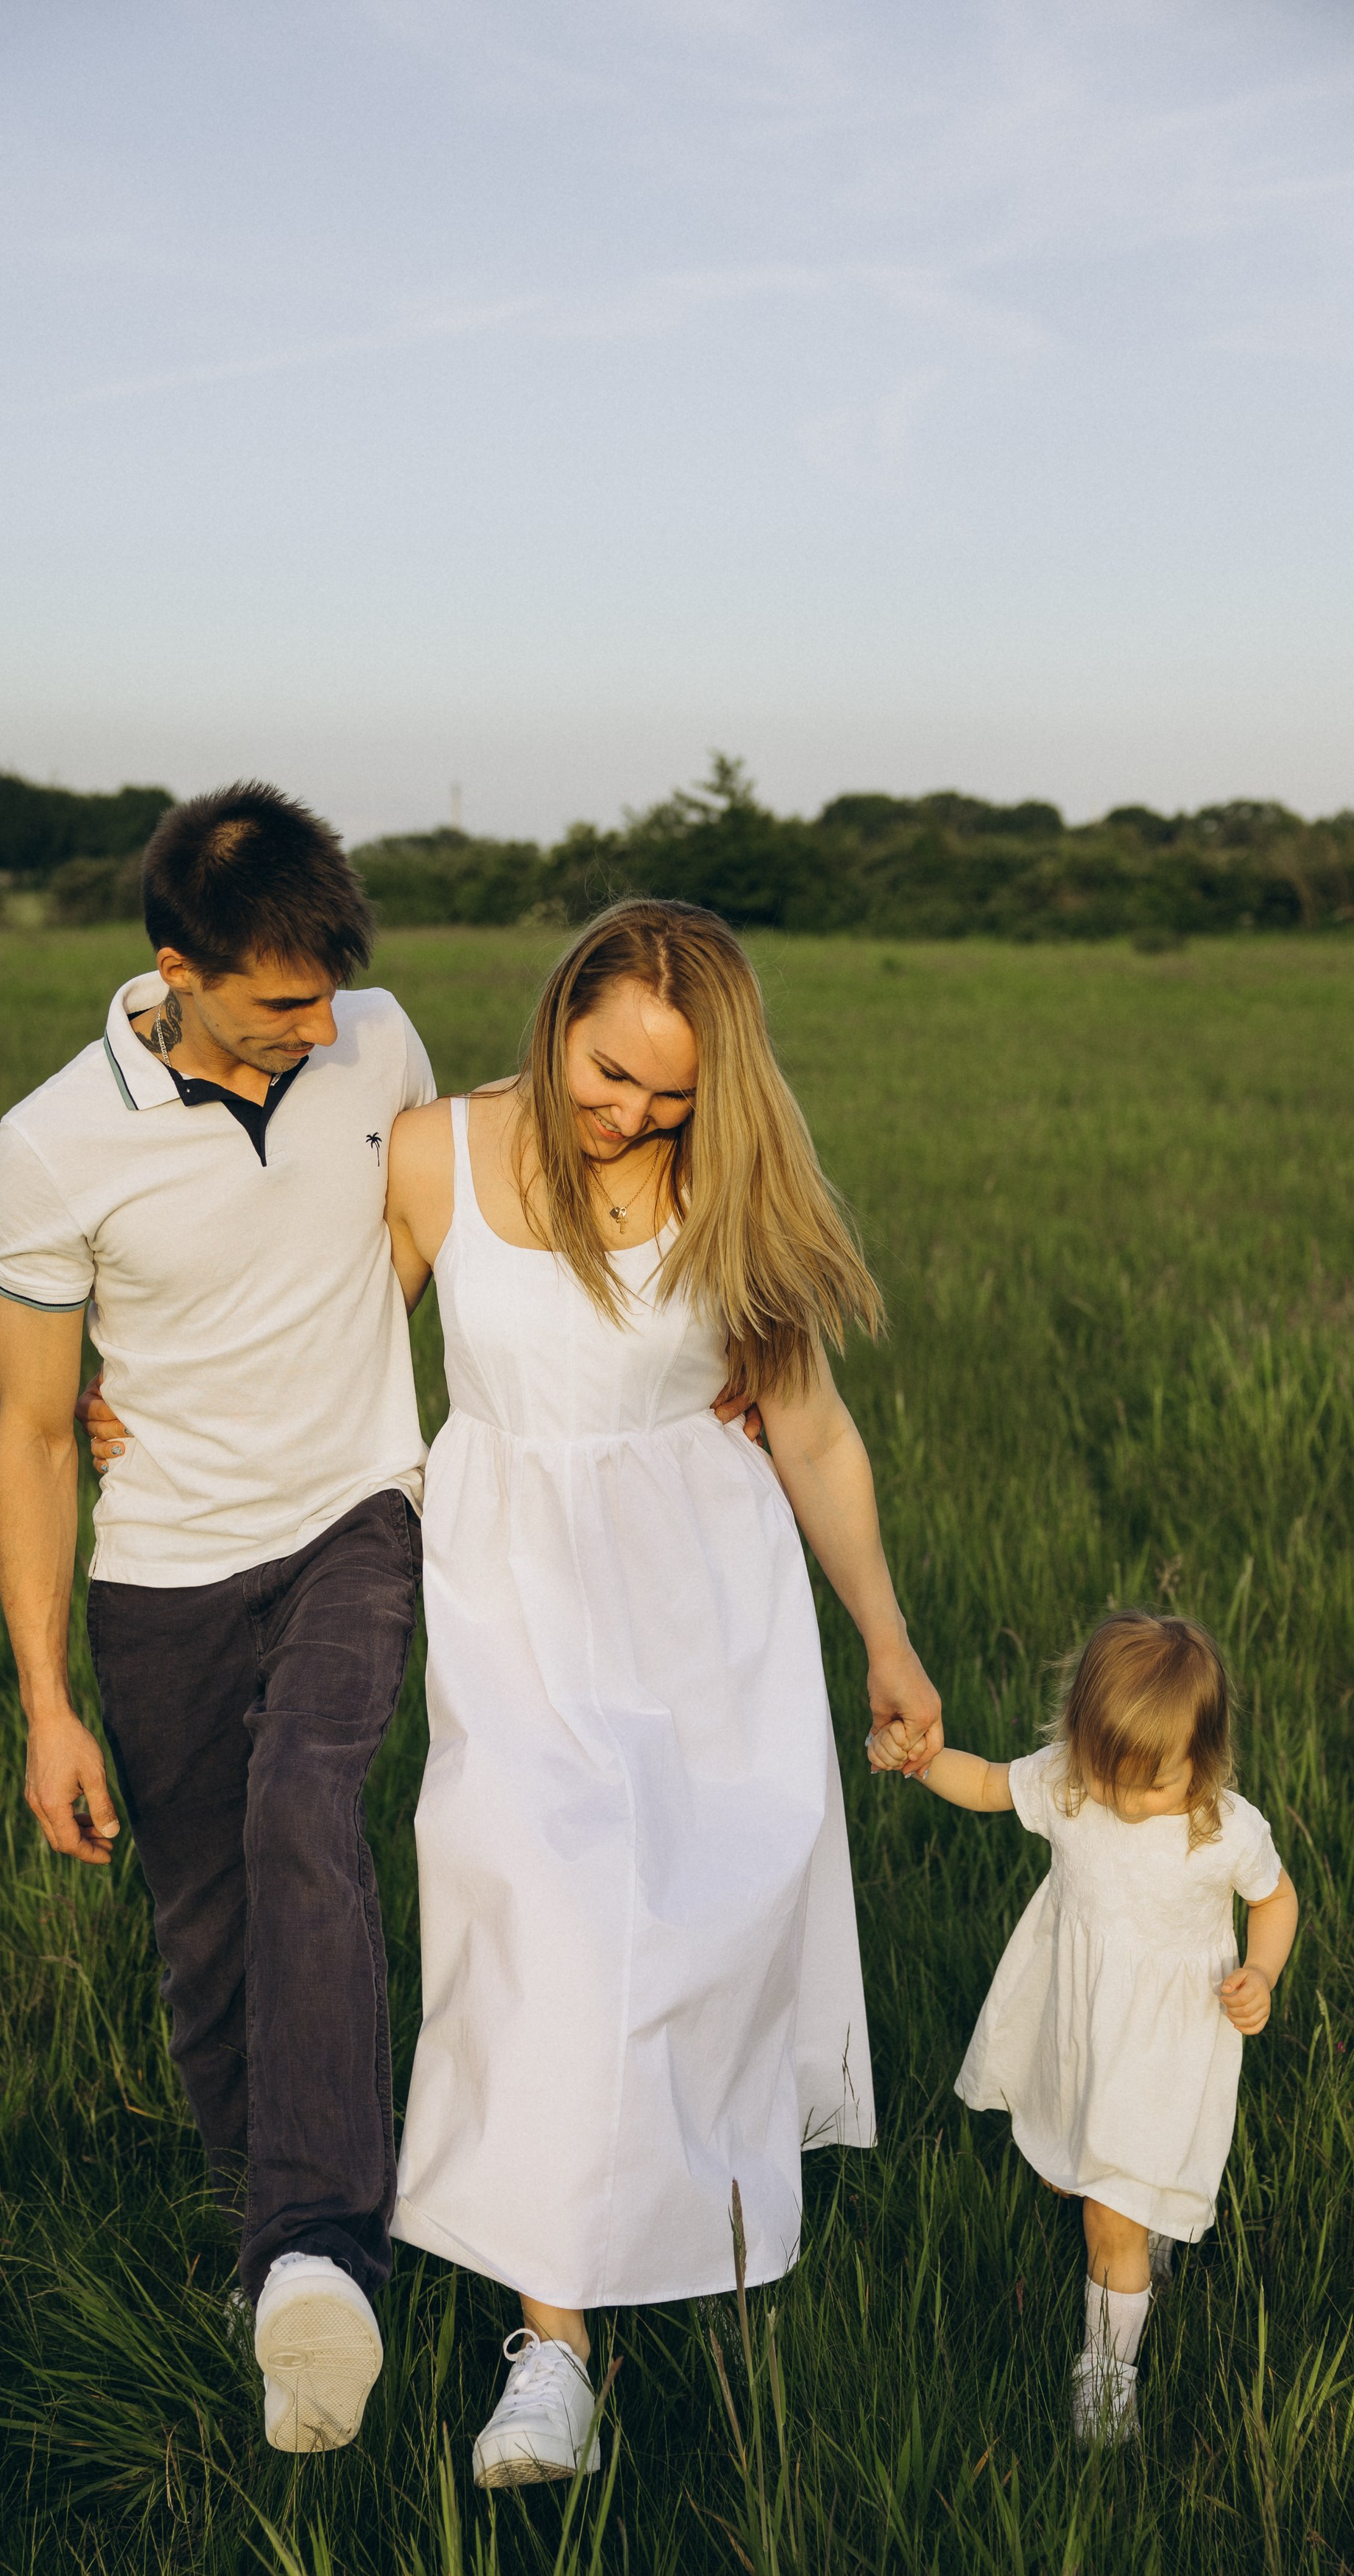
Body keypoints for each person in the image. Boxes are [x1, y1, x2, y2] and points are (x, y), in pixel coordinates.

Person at [378, 896, 943, 2487]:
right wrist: (149, 1425)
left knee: (692, 1939)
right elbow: (333, 1357)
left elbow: (812, 1434)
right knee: (549, 1933)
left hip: (706, 1609)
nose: (626, 1111)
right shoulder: (434, 1155)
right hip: (511, 1608)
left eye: (666, 1092)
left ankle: (699, 2249)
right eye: (605, 1069)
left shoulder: (724, 1196)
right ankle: (550, 2349)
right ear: (556, 1012)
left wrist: (883, 1641)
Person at [0, 782, 437, 2455]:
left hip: (355, 1515)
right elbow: (35, 1433)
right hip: (160, 1564)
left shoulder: (374, 1039)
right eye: (280, 1003)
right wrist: (48, 1702)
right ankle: (272, 2241)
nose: (320, 1027)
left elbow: (427, 1228)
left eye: (332, 990)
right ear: (176, 969)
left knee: (309, 1811)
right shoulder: (54, 1141)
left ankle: (324, 2251)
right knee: (205, 1927)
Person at [873, 1609, 1298, 2444]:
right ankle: (1140, 2226)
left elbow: (1274, 1897)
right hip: (1076, 2019)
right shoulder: (1074, 1780)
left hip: (1168, 2037)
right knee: (1082, 2169)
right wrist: (920, 1760)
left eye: (1153, 1784)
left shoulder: (1222, 1827)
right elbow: (991, 1781)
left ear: (1203, 1760)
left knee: (1107, 2210)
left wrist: (1263, 1971)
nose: (1127, 1802)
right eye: (1109, 1777)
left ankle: (1105, 2367)